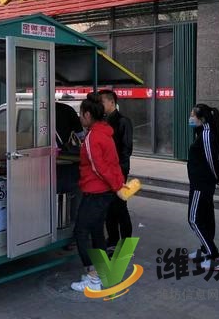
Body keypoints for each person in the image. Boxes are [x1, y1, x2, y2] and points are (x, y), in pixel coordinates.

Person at [70, 94, 125, 292]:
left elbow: (99, 167)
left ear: (87, 115)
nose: (79, 118)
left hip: (96, 192)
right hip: (105, 192)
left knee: (80, 232)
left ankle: (93, 277)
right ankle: (102, 274)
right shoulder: (105, 132)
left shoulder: (93, 137)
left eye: (80, 114)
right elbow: (113, 163)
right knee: (96, 232)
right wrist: (118, 185)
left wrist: (117, 186)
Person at [187, 103, 219, 271]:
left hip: (201, 185)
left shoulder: (206, 134)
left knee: (194, 219)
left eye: (193, 115)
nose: (190, 118)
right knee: (206, 219)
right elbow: (212, 159)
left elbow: (212, 161)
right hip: (202, 183)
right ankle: (205, 250)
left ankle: (213, 256)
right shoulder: (203, 133)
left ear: (202, 119)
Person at [98, 90, 133, 253]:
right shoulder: (103, 121)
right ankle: (113, 239)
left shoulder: (123, 121)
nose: (100, 106)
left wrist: (119, 170)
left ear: (112, 102)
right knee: (109, 207)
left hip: (119, 171)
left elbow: (126, 149)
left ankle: (126, 243)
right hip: (106, 171)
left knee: (120, 206)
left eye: (102, 102)